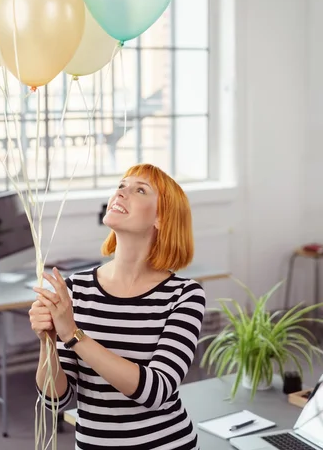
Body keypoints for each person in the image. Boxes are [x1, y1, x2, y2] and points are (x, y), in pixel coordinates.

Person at [29, 163, 206, 449]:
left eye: (139, 189)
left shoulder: (184, 295)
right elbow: (55, 400)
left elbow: (155, 391)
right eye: (121, 186)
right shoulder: (76, 289)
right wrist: (48, 340)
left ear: (161, 218)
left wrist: (73, 334)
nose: (121, 193)